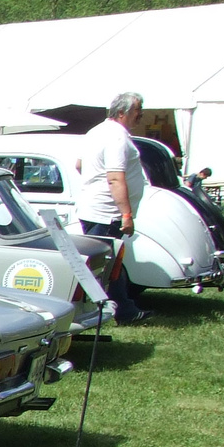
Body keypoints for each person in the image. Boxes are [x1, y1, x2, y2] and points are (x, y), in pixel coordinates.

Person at [74, 91, 150, 324]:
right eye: (138, 110)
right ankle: (106, 310)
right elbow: (115, 177)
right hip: (107, 213)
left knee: (109, 263)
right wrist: (126, 214)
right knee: (103, 266)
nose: (141, 115)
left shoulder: (95, 132)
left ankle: (122, 309)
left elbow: (79, 165)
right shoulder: (117, 137)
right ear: (122, 112)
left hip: (94, 208)